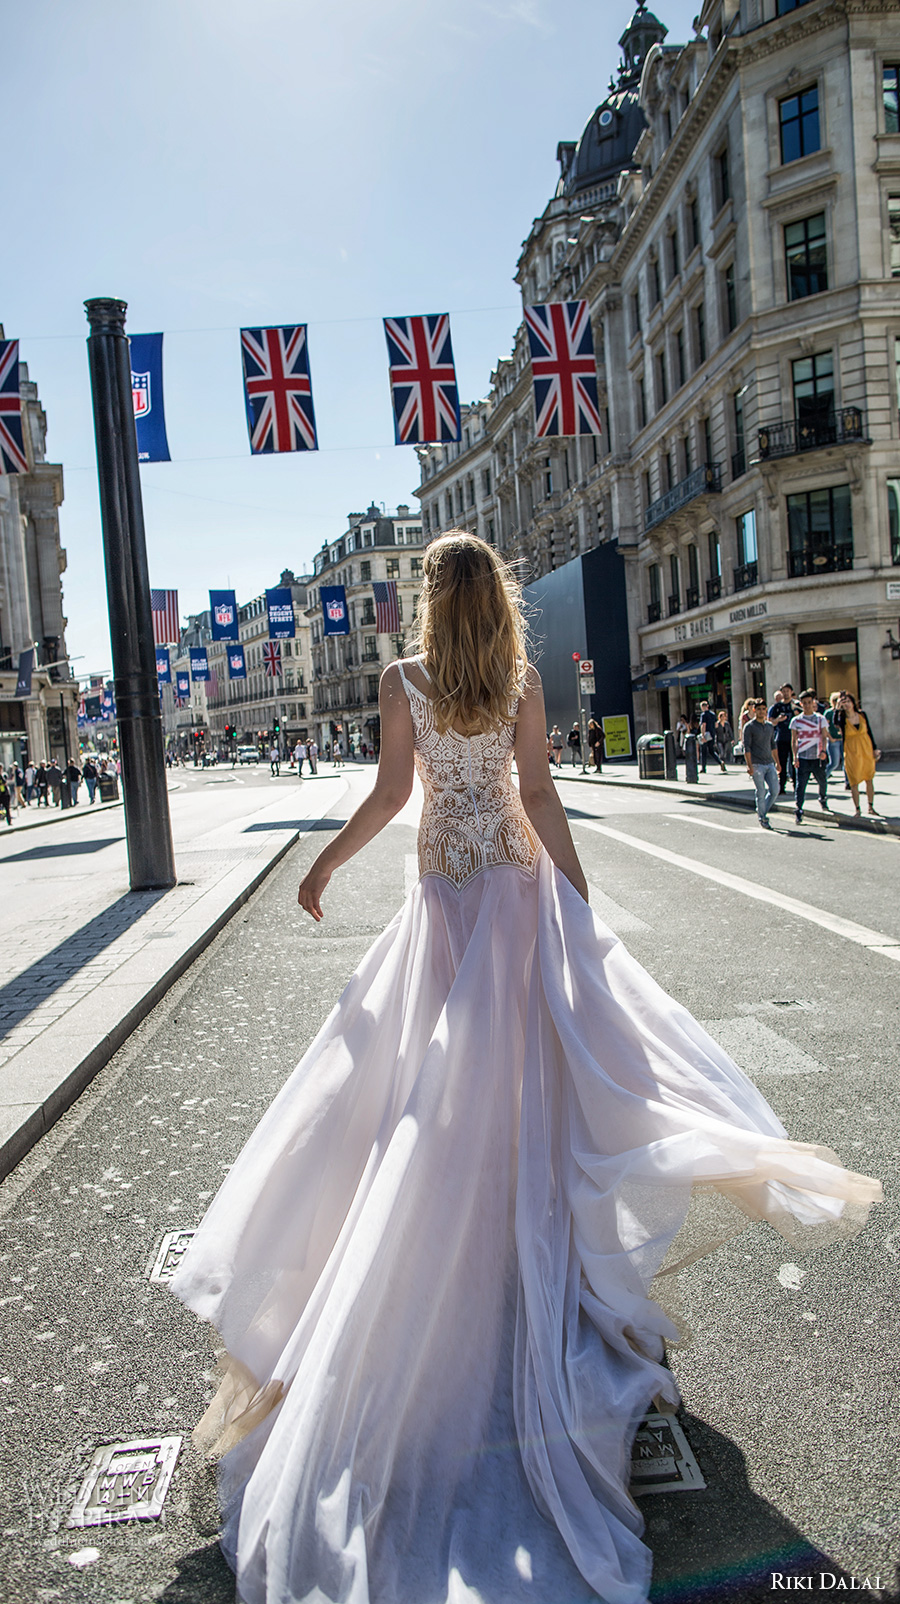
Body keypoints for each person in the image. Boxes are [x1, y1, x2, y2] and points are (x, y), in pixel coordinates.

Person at [170, 531, 880, 1604]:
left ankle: (436, 1263)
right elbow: (539, 797)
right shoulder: (521, 680)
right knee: (526, 1099)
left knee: (417, 1105)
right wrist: (578, 906)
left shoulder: (405, 677)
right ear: (497, 599)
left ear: (428, 600)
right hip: (512, 903)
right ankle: (518, 1258)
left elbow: (390, 794)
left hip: (443, 912)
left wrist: (322, 860)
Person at [837, 691, 881, 817]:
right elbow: (835, 724)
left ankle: (871, 807)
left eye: (848, 702)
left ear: (853, 702)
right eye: (844, 703)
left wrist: (874, 748)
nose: (847, 705)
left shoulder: (862, 714)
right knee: (854, 780)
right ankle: (857, 809)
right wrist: (837, 708)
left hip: (865, 749)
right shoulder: (842, 718)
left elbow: (870, 732)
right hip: (851, 751)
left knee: (869, 777)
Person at [790, 688, 829, 825]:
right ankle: (799, 809)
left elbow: (824, 736)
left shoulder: (820, 719)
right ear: (800, 704)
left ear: (813, 703)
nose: (807, 705)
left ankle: (823, 798)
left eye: (809, 702)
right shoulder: (796, 721)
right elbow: (794, 740)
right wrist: (795, 757)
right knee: (801, 785)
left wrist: (823, 751)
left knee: (822, 780)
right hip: (803, 757)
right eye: (804, 703)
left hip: (818, 756)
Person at [743, 699, 781, 828]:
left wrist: (777, 762)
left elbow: (773, 745)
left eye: (763, 709)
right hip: (757, 764)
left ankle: (762, 809)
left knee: (775, 790)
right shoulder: (749, 727)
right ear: (754, 710)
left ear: (766, 710)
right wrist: (749, 765)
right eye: (758, 709)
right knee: (761, 791)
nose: (761, 711)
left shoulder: (769, 726)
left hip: (769, 763)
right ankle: (763, 817)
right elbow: (746, 747)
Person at [768, 685, 796, 794]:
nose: (786, 693)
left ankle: (796, 785)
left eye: (788, 691)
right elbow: (770, 722)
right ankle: (782, 786)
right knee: (782, 763)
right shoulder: (777, 707)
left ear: (791, 692)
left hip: (794, 738)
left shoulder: (795, 705)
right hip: (781, 737)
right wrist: (778, 720)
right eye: (784, 691)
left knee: (795, 763)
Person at [825, 691, 843, 778]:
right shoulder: (829, 713)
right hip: (833, 740)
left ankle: (848, 783)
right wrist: (830, 737)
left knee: (846, 762)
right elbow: (824, 727)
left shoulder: (843, 712)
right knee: (834, 763)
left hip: (843, 740)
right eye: (836, 700)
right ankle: (824, 777)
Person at [697, 699, 717, 773]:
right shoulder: (713, 714)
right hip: (712, 734)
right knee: (712, 751)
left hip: (706, 735)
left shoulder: (703, 715)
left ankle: (703, 768)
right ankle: (720, 762)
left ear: (702, 707)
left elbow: (703, 725)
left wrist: (703, 735)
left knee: (703, 752)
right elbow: (716, 725)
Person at [714, 708, 733, 773]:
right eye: (723, 716)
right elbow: (715, 732)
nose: (724, 717)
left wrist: (732, 739)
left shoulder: (727, 724)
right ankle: (721, 763)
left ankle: (723, 764)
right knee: (721, 753)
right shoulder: (717, 724)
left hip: (726, 740)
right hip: (719, 740)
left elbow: (730, 731)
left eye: (725, 716)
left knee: (724, 753)